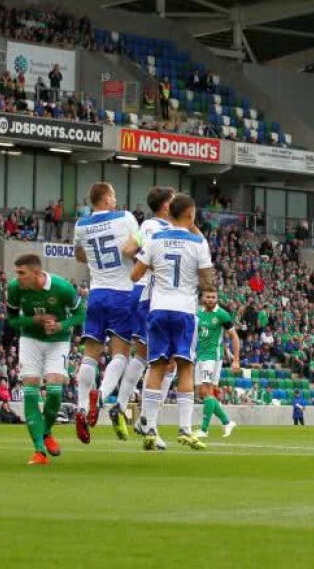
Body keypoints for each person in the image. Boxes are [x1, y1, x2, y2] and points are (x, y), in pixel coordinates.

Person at [130, 193, 216, 451]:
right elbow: (208, 283)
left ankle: (150, 427)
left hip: (158, 310)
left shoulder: (155, 239)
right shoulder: (198, 242)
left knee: (156, 366)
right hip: (184, 311)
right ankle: (185, 429)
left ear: (170, 213)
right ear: (190, 215)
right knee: (185, 367)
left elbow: (135, 275)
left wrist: (160, 269)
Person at [72, 181, 140, 442]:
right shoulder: (125, 217)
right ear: (107, 198)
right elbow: (134, 249)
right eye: (113, 196)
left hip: (96, 292)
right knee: (121, 354)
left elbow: (79, 254)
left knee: (90, 354)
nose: (116, 201)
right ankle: (100, 396)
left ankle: (80, 406)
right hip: (122, 292)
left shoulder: (82, 225)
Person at [5, 253, 85, 465]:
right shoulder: (14, 289)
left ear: (37, 273)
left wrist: (61, 325)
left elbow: (81, 314)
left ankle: (47, 431)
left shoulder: (62, 288)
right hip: (30, 339)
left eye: (22, 273)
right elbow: (12, 320)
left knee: (54, 390)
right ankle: (39, 450)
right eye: (17, 273)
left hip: (58, 341)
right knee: (30, 389)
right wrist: (35, 320)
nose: (18, 278)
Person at [119, 186, 175, 442]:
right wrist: (150, 265)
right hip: (152, 295)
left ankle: (126, 409)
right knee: (165, 362)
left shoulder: (147, 226)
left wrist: (143, 261)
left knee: (145, 355)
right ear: (165, 205)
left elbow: (127, 249)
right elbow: (131, 252)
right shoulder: (159, 227)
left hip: (143, 293)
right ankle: (147, 421)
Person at [194, 289, 240, 440]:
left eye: (214, 297)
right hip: (200, 356)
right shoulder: (198, 313)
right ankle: (227, 422)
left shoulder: (222, 314)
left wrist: (236, 359)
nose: (211, 299)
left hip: (213, 356)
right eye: (208, 296)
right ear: (202, 298)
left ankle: (204, 430)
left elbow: (234, 336)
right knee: (202, 393)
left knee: (207, 391)